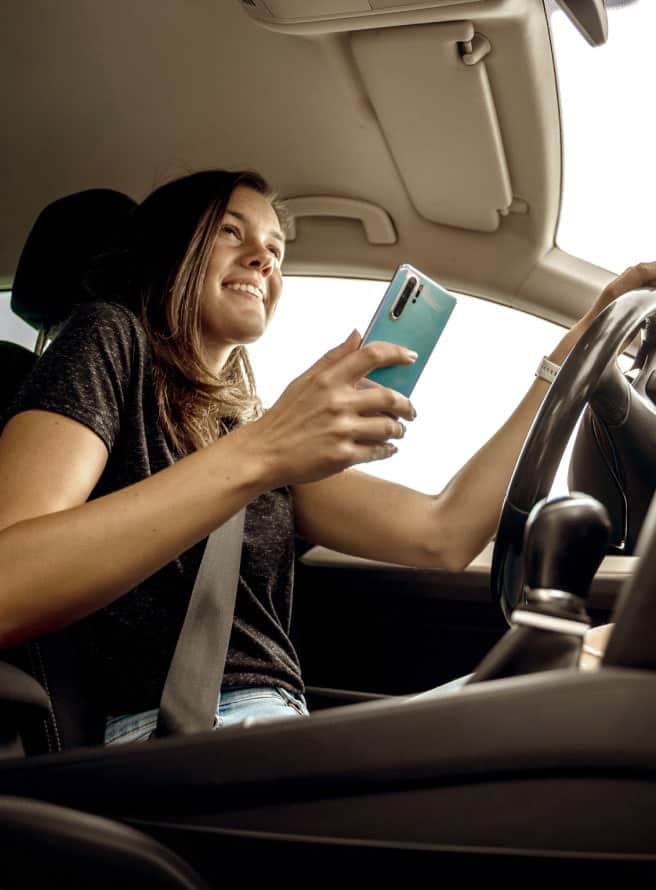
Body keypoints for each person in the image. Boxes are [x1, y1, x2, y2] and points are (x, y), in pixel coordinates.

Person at [0, 169, 650, 743]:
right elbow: (11, 582)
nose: (264, 258)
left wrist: (568, 357)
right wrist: (267, 446)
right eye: (231, 233)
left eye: (277, 249)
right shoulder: (111, 339)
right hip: (178, 748)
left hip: (274, 732)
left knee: (594, 665)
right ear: (171, 249)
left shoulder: (246, 430)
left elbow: (443, 533)